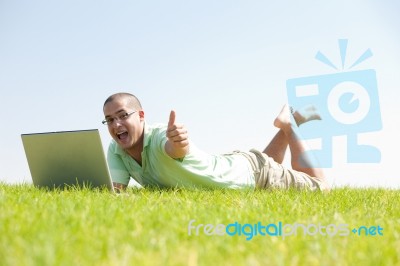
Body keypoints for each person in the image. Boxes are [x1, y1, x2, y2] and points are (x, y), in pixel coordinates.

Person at [102, 92, 329, 192]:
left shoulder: (161, 135)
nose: (116, 125)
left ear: (141, 116)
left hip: (251, 176)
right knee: (267, 161)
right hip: (238, 164)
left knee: (320, 187)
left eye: (123, 116)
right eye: (110, 120)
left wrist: (179, 141)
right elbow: (116, 192)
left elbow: (175, 149)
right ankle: (293, 120)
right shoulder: (117, 149)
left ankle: (289, 124)